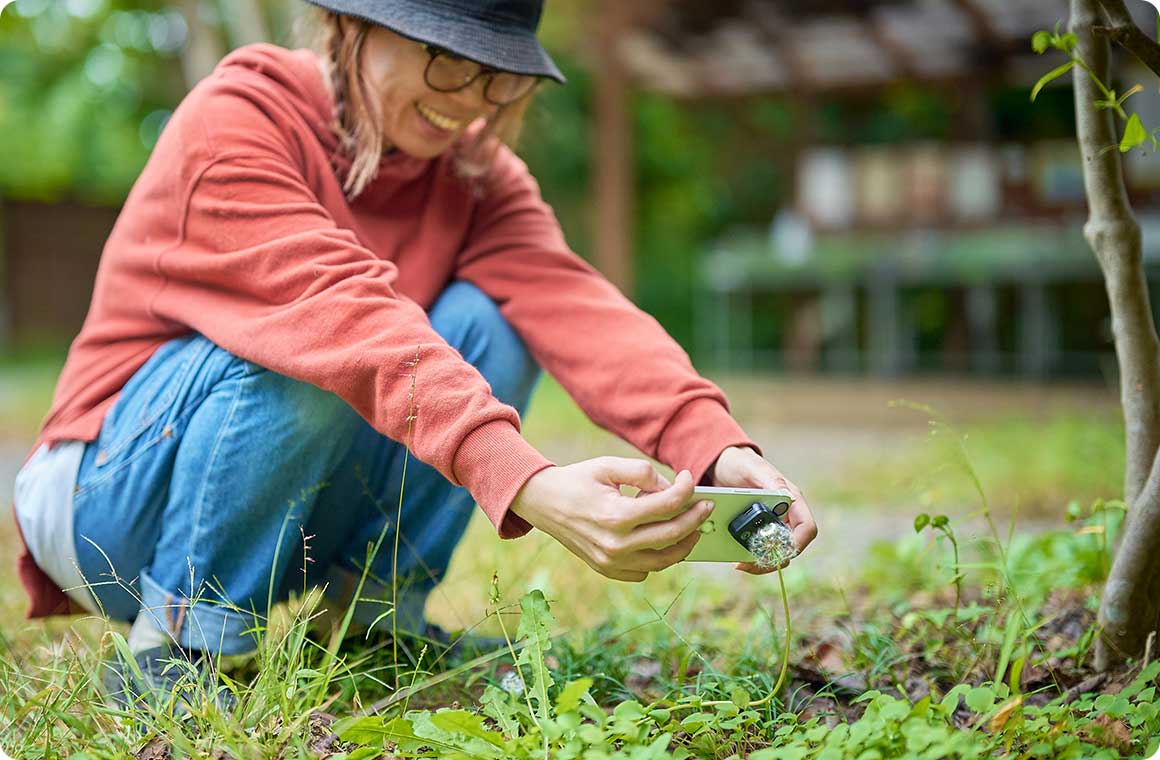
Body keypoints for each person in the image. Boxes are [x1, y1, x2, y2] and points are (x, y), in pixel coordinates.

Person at [12, 0, 817, 703]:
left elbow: (576, 306)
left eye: (495, 75)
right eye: (443, 59)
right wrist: (525, 481)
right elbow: (337, 311)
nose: (468, 102)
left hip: (282, 503)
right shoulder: (239, 117)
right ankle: (182, 648)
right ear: (355, 24)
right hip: (106, 497)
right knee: (322, 339)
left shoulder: (475, 177)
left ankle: (371, 625)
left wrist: (714, 449)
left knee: (494, 318)